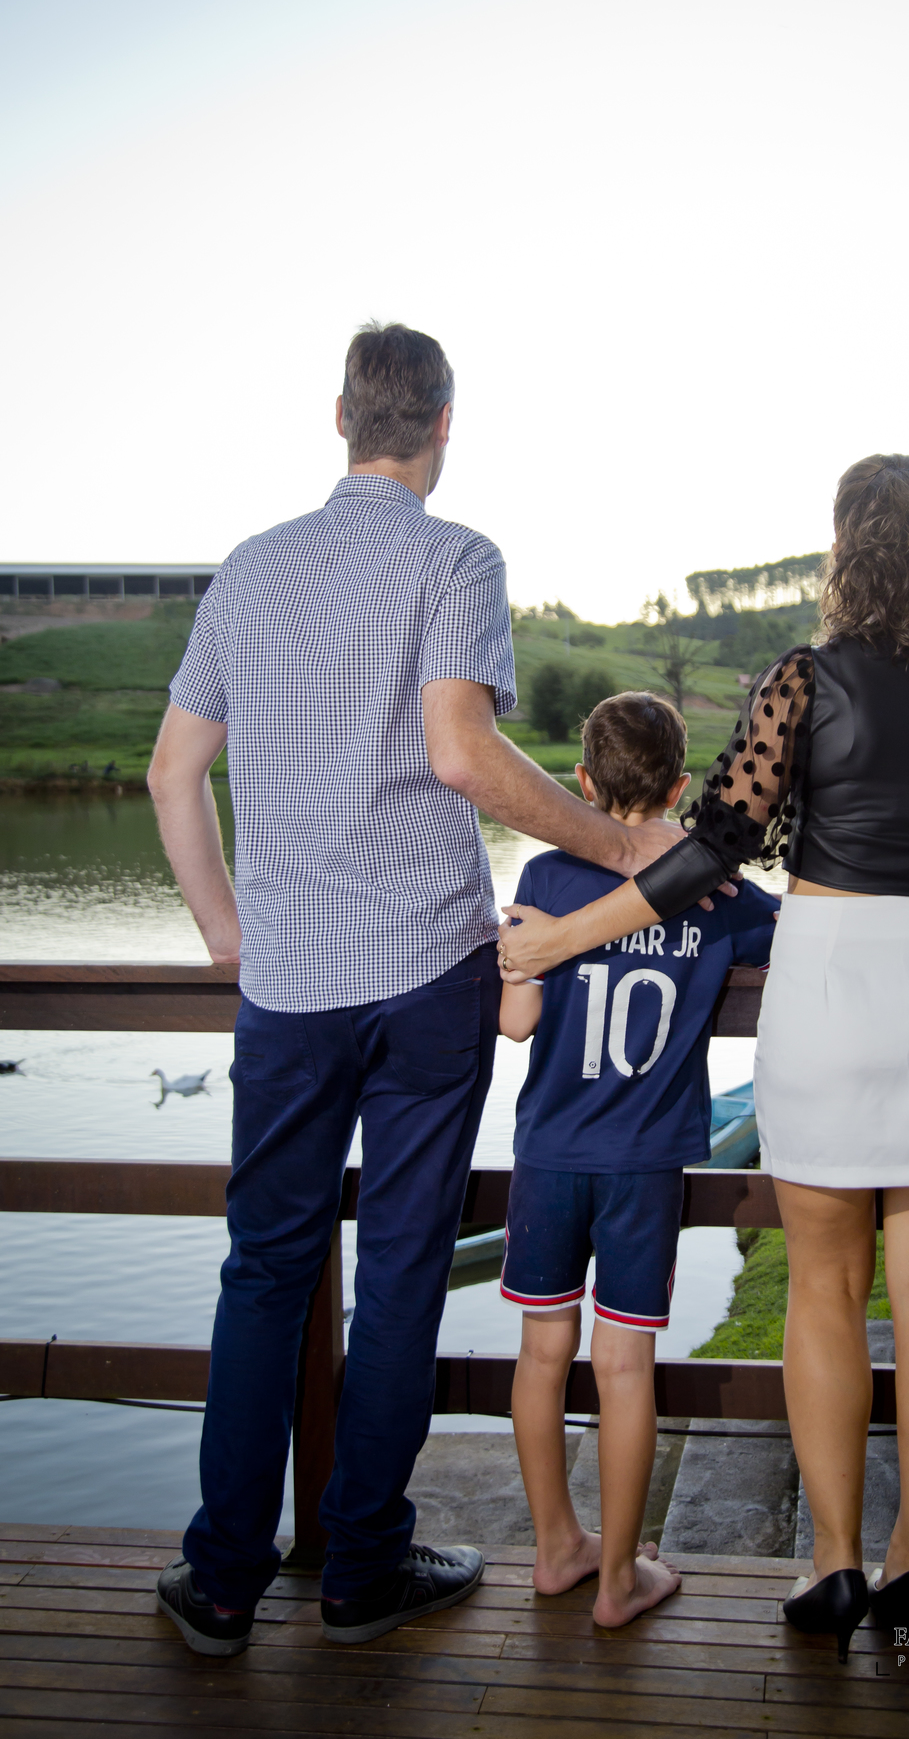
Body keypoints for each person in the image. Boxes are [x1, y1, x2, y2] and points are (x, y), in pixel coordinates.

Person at [146, 321, 683, 1657]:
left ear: (340, 417)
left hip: (289, 986)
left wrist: (227, 930)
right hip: (430, 976)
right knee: (395, 1276)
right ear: (445, 424)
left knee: (264, 1270)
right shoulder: (457, 557)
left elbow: (172, 774)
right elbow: (461, 753)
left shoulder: (249, 570)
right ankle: (359, 1573)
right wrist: (619, 847)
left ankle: (224, 1580)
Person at [497, 454, 909, 1663]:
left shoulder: (804, 679)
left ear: (847, 550)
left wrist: (563, 939)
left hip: (832, 987)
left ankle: (835, 1562)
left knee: (824, 1288)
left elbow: (709, 851)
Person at [495, 691, 780, 1625]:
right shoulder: (717, 893)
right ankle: (619, 1579)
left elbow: (516, 1021)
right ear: (680, 788)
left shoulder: (545, 874)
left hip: (549, 1153)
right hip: (644, 1163)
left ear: (582, 782)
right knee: (624, 1368)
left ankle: (554, 1550)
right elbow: (798, 934)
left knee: (543, 1354)